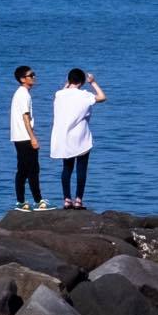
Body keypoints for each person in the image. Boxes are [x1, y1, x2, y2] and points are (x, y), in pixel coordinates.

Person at [49, 68, 107, 210]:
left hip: (64, 138)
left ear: (69, 81)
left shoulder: (59, 94)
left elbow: (62, 92)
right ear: (82, 82)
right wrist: (93, 82)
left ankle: (67, 199)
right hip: (81, 137)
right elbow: (102, 97)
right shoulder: (85, 95)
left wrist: (67, 84)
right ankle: (78, 200)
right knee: (81, 169)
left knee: (66, 169)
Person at [10, 65, 51, 211]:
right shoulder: (23, 94)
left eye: (33, 74)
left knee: (23, 169)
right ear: (22, 79)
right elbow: (25, 117)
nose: (34, 77)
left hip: (20, 136)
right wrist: (33, 138)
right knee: (32, 169)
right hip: (24, 137)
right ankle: (37, 201)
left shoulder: (21, 93)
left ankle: (21, 201)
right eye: (31, 75)